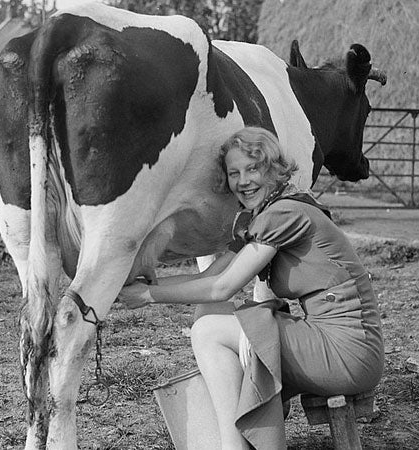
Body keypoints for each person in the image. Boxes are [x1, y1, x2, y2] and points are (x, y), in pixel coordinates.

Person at [118, 127, 384, 450]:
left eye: (253, 168)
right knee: (210, 315)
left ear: (272, 169)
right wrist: (145, 281)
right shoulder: (264, 215)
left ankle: (233, 446)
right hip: (332, 339)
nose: (243, 181)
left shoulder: (285, 213)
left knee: (208, 332)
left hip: (349, 349)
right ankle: (235, 437)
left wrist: (147, 296)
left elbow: (223, 286)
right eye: (234, 173)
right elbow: (214, 277)